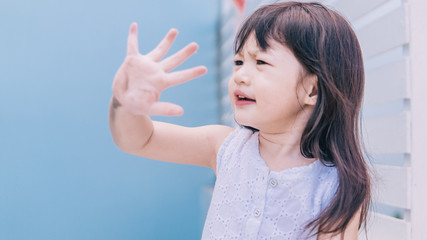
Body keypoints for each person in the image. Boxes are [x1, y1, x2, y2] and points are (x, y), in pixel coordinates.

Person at [109, 1, 371, 239]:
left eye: (260, 62)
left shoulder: (336, 186)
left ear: (311, 90)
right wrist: (126, 103)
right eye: (238, 61)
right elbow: (141, 140)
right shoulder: (224, 146)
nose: (241, 76)